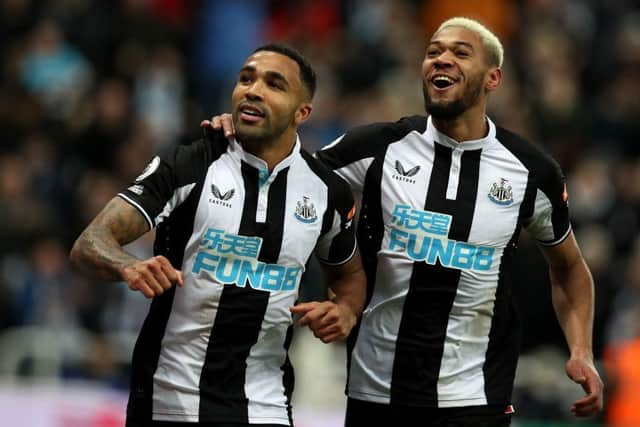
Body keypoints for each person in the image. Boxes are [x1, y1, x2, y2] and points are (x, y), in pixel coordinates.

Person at [203, 17, 604, 426]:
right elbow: (288, 179)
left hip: (476, 396)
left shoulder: (530, 171)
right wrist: (249, 132)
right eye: (433, 52)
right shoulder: (379, 147)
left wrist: (581, 351)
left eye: (460, 53)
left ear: (492, 78)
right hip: (376, 392)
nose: (441, 60)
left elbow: (569, 268)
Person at [70, 43, 366, 427]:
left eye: (274, 84)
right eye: (246, 79)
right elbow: (89, 243)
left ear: (302, 112)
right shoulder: (189, 164)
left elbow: (350, 274)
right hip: (170, 400)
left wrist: (345, 309)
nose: (253, 90)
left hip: (265, 406)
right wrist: (130, 266)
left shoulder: (327, 191)